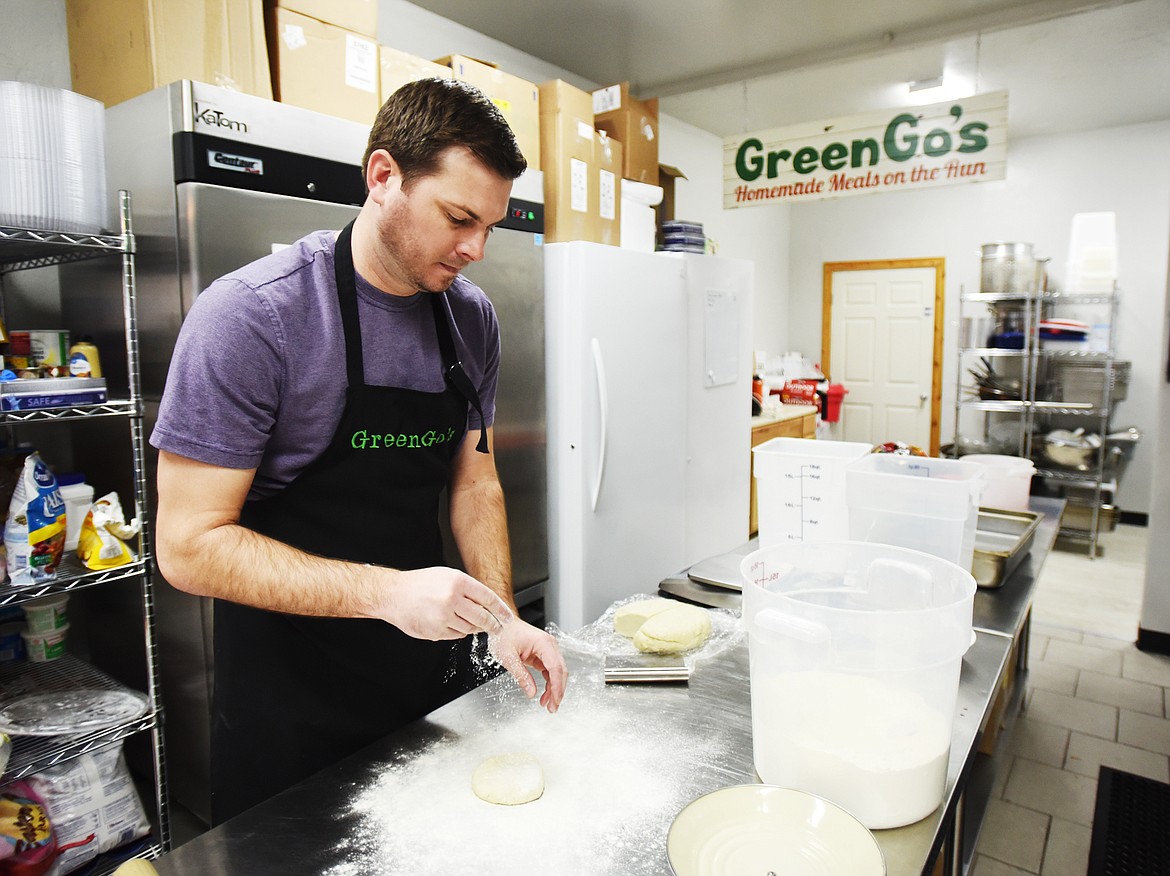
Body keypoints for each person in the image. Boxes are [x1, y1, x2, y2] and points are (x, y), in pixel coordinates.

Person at [150, 78, 568, 824]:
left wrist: (501, 618)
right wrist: (386, 594)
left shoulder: (471, 322)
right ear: (383, 178)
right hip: (287, 713)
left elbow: (475, 482)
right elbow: (186, 547)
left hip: (421, 691)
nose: (474, 249)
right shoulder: (254, 319)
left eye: (490, 227)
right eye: (459, 218)